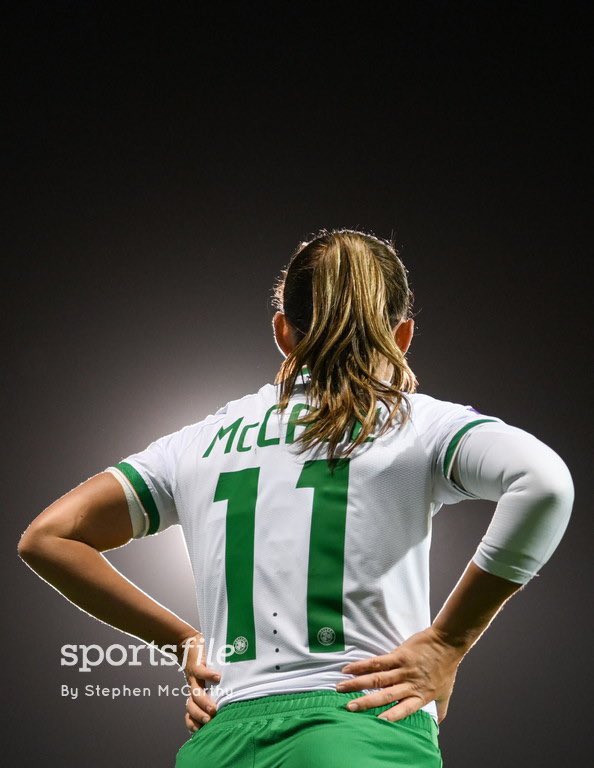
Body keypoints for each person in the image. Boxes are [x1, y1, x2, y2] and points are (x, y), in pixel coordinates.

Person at [18, 229, 573, 767]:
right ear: (402, 336)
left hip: (220, 740)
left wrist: (186, 641)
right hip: (362, 726)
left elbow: (49, 537)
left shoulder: (200, 442)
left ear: (283, 332)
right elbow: (543, 483)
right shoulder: (417, 425)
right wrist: (449, 641)